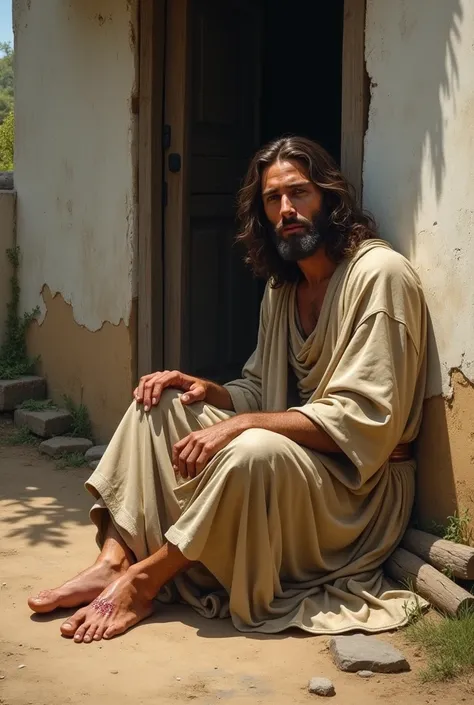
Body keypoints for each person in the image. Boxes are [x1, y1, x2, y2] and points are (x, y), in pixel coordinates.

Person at [28, 136, 427, 644]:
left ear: (330, 198)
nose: (286, 210)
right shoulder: (283, 290)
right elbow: (261, 389)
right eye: (272, 200)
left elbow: (363, 421)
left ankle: (145, 580)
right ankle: (113, 556)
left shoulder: (380, 275)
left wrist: (241, 424)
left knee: (251, 448)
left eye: (299, 193)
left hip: (359, 495)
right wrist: (207, 391)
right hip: (303, 464)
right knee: (158, 403)